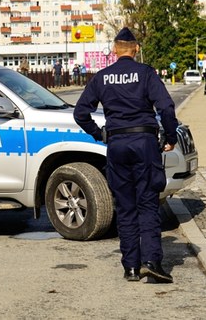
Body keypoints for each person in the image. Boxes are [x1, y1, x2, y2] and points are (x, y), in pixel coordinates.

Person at [73, 27, 179, 284]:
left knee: (126, 206)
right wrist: (170, 136)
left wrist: (99, 134)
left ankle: (130, 267)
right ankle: (152, 262)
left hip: (117, 144)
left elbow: (80, 113)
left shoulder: (102, 77)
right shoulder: (146, 74)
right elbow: (165, 106)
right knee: (147, 204)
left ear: (114, 51)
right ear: (136, 49)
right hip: (144, 143)